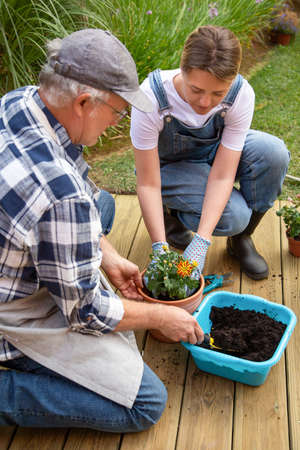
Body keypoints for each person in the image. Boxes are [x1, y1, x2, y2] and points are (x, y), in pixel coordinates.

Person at [0, 29, 204, 432]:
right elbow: (86, 313)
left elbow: (75, 187)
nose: (117, 123)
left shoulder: (22, 100)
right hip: (11, 313)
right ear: (82, 103)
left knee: (103, 205)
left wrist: (108, 257)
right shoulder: (61, 197)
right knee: (144, 404)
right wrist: (159, 317)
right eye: (117, 110)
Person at [130, 25, 290, 282]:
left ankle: (241, 240)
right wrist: (160, 249)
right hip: (166, 169)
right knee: (233, 216)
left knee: (273, 153)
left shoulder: (241, 94)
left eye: (218, 93)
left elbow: (223, 173)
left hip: (213, 156)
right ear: (182, 69)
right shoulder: (151, 97)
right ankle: (171, 217)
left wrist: (201, 241)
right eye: (196, 90)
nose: (205, 103)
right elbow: (147, 182)